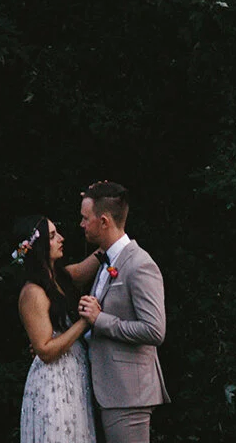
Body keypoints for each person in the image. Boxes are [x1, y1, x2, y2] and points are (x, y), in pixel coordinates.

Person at [76, 180, 169, 443]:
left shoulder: (140, 264)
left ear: (103, 221)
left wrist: (100, 319)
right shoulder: (108, 259)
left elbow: (154, 329)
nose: (81, 224)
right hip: (106, 389)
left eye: (85, 218)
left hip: (128, 395)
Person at [15, 214, 103, 443]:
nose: (61, 239)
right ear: (39, 246)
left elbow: (96, 259)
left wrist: (109, 228)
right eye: (53, 236)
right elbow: (44, 350)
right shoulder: (33, 292)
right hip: (52, 384)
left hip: (72, 378)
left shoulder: (60, 277)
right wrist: (84, 322)